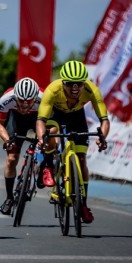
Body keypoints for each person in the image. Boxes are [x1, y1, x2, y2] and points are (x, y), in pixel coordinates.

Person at [36, 60, 109, 224]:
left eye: (79, 84)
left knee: (81, 158)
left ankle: (83, 204)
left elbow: (104, 120)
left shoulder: (91, 90)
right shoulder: (52, 90)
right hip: (55, 115)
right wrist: (42, 139)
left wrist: (102, 138)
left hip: (77, 117)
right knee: (52, 134)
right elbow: (41, 121)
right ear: (63, 83)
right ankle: (48, 165)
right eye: (70, 85)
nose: (75, 89)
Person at [0, 77, 42, 215]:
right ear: (15, 97)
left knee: (47, 141)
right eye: (21, 101)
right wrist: (7, 140)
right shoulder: (6, 99)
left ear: (35, 97)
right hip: (17, 121)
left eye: (29, 101)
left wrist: (43, 140)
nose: (25, 105)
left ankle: (46, 167)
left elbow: (52, 125)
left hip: (38, 118)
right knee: (11, 159)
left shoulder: (44, 98)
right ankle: (9, 198)